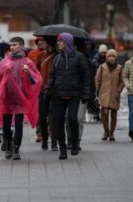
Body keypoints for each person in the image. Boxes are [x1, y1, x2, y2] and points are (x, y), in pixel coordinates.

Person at [0, 36, 42, 160]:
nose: (12, 47)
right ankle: (9, 144)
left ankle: (16, 149)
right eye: (11, 45)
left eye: (14, 45)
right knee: (6, 125)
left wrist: (28, 72)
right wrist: (3, 70)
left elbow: (37, 80)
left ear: (21, 46)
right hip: (7, 97)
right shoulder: (5, 61)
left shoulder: (27, 62)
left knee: (19, 124)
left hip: (20, 98)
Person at [44, 32, 90, 160]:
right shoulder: (56, 58)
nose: (58, 43)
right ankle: (62, 149)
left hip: (74, 94)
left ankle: (75, 143)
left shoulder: (79, 57)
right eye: (58, 41)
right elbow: (52, 75)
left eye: (60, 41)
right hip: (58, 94)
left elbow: (86, 77)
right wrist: (48, 88)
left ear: (67, 42)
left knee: (72, 120)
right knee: (58, 122)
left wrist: (86, 93)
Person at [95, 49, 124, 141]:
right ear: (107, 57)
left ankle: (111, 133)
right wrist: (96, 90)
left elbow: (122, 81)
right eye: (109, 56)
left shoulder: (119, 68)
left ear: (116, 58)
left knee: (114, 114)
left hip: (114, 94)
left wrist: (119, 89)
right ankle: (106, 131)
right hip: (103, 93)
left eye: (113, 56)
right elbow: (97, 79)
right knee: (105, 113)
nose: (111, 58)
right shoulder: (102, 67)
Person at [37, 39, 58, 151]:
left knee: (55, 117)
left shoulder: (59, 55)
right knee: (43, 117)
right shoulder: (41, 55)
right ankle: (45, 139)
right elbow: (36, 71)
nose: (46, 45)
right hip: (43, 90)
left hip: (56, 91)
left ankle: (54, 142)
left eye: (47, 43)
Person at [28, 36, 45, 142]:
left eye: (43, 41)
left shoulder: (50, 54)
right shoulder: (32, 54)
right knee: (38, 110)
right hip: (35, 86)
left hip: (47, 85)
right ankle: (39, 132)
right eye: (39, 41)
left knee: (49, 111)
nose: (41, 43)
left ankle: (50, 130)